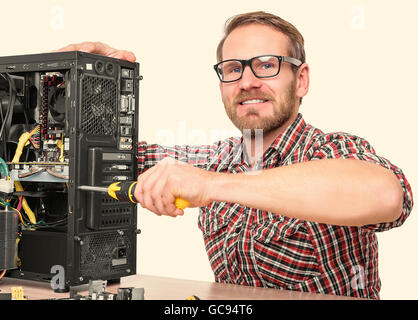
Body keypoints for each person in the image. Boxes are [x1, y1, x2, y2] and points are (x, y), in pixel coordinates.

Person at [58, 11, 413, 299]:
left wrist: (212, 185)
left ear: (301, 80)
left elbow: (387, 195)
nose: (247, 82)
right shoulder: (216, 160)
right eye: (233, 69)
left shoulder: (332, 152)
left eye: (267, 65)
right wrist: (85, 86)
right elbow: (99, 156)